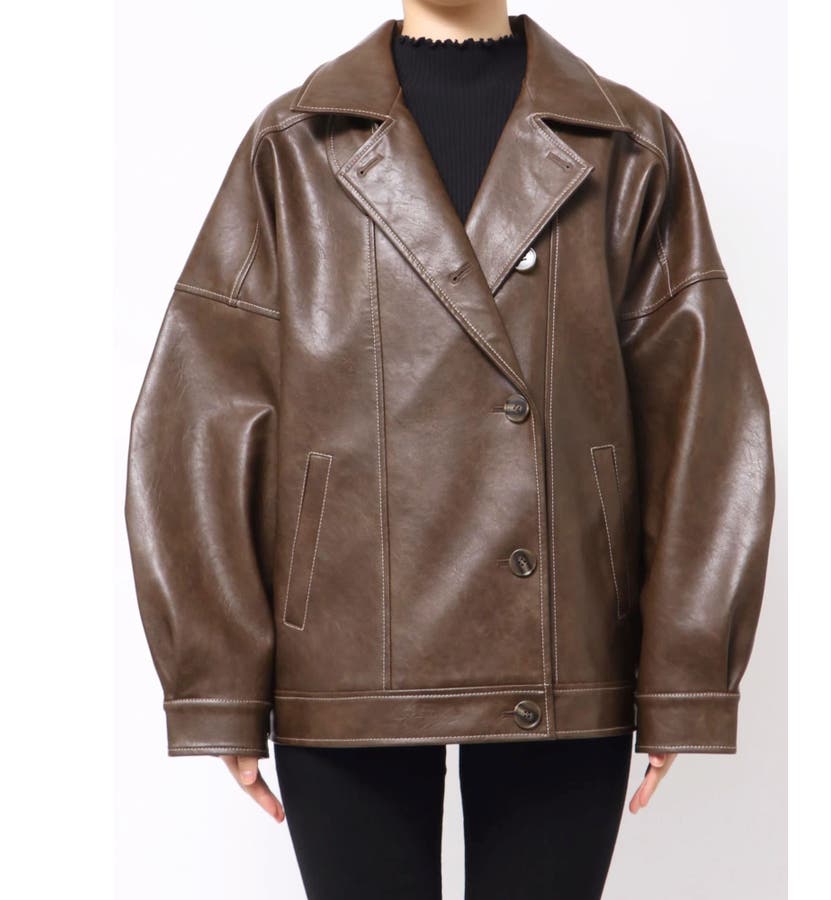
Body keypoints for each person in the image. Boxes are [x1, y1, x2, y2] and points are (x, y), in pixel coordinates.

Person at [124, 2, 776, 897]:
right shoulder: (295, 144)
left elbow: (704, 417)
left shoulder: (627, 144)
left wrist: (687, 673)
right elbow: (195, 415)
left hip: (564, 648)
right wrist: (216, 677)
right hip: (347, 653)